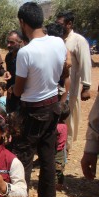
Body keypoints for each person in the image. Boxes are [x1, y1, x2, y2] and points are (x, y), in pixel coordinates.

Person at [11, 2, 67, 197]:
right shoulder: (58, 43)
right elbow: (63, 68)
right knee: (47, 156)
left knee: (23, 158)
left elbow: (18, 89)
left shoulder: (26, 52)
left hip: (33, 111)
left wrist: (13, 86)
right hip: (53, 106)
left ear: (22, 23)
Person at [56, 11, 92, 153]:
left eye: (60, 24)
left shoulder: (78, 40)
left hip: (72, 87)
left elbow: (85, 63)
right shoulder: (57, 39)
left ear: (69, 24)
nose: (58, 26)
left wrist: (87, 86)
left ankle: (65, 148)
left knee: (68, 117)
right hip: (56, 86)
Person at [45, 22, 72, 103]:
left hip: (57, 95)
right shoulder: (63, 50)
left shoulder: (61, 53)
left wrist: (64, 100)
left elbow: (66, 76)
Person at [55, 102, 70, 191]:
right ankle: (60, 184)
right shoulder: (64, 126)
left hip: (56, 152)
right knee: (60, 170)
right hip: (61, 151)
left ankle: (54, 185)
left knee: (54, 171)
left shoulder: (56, 127)